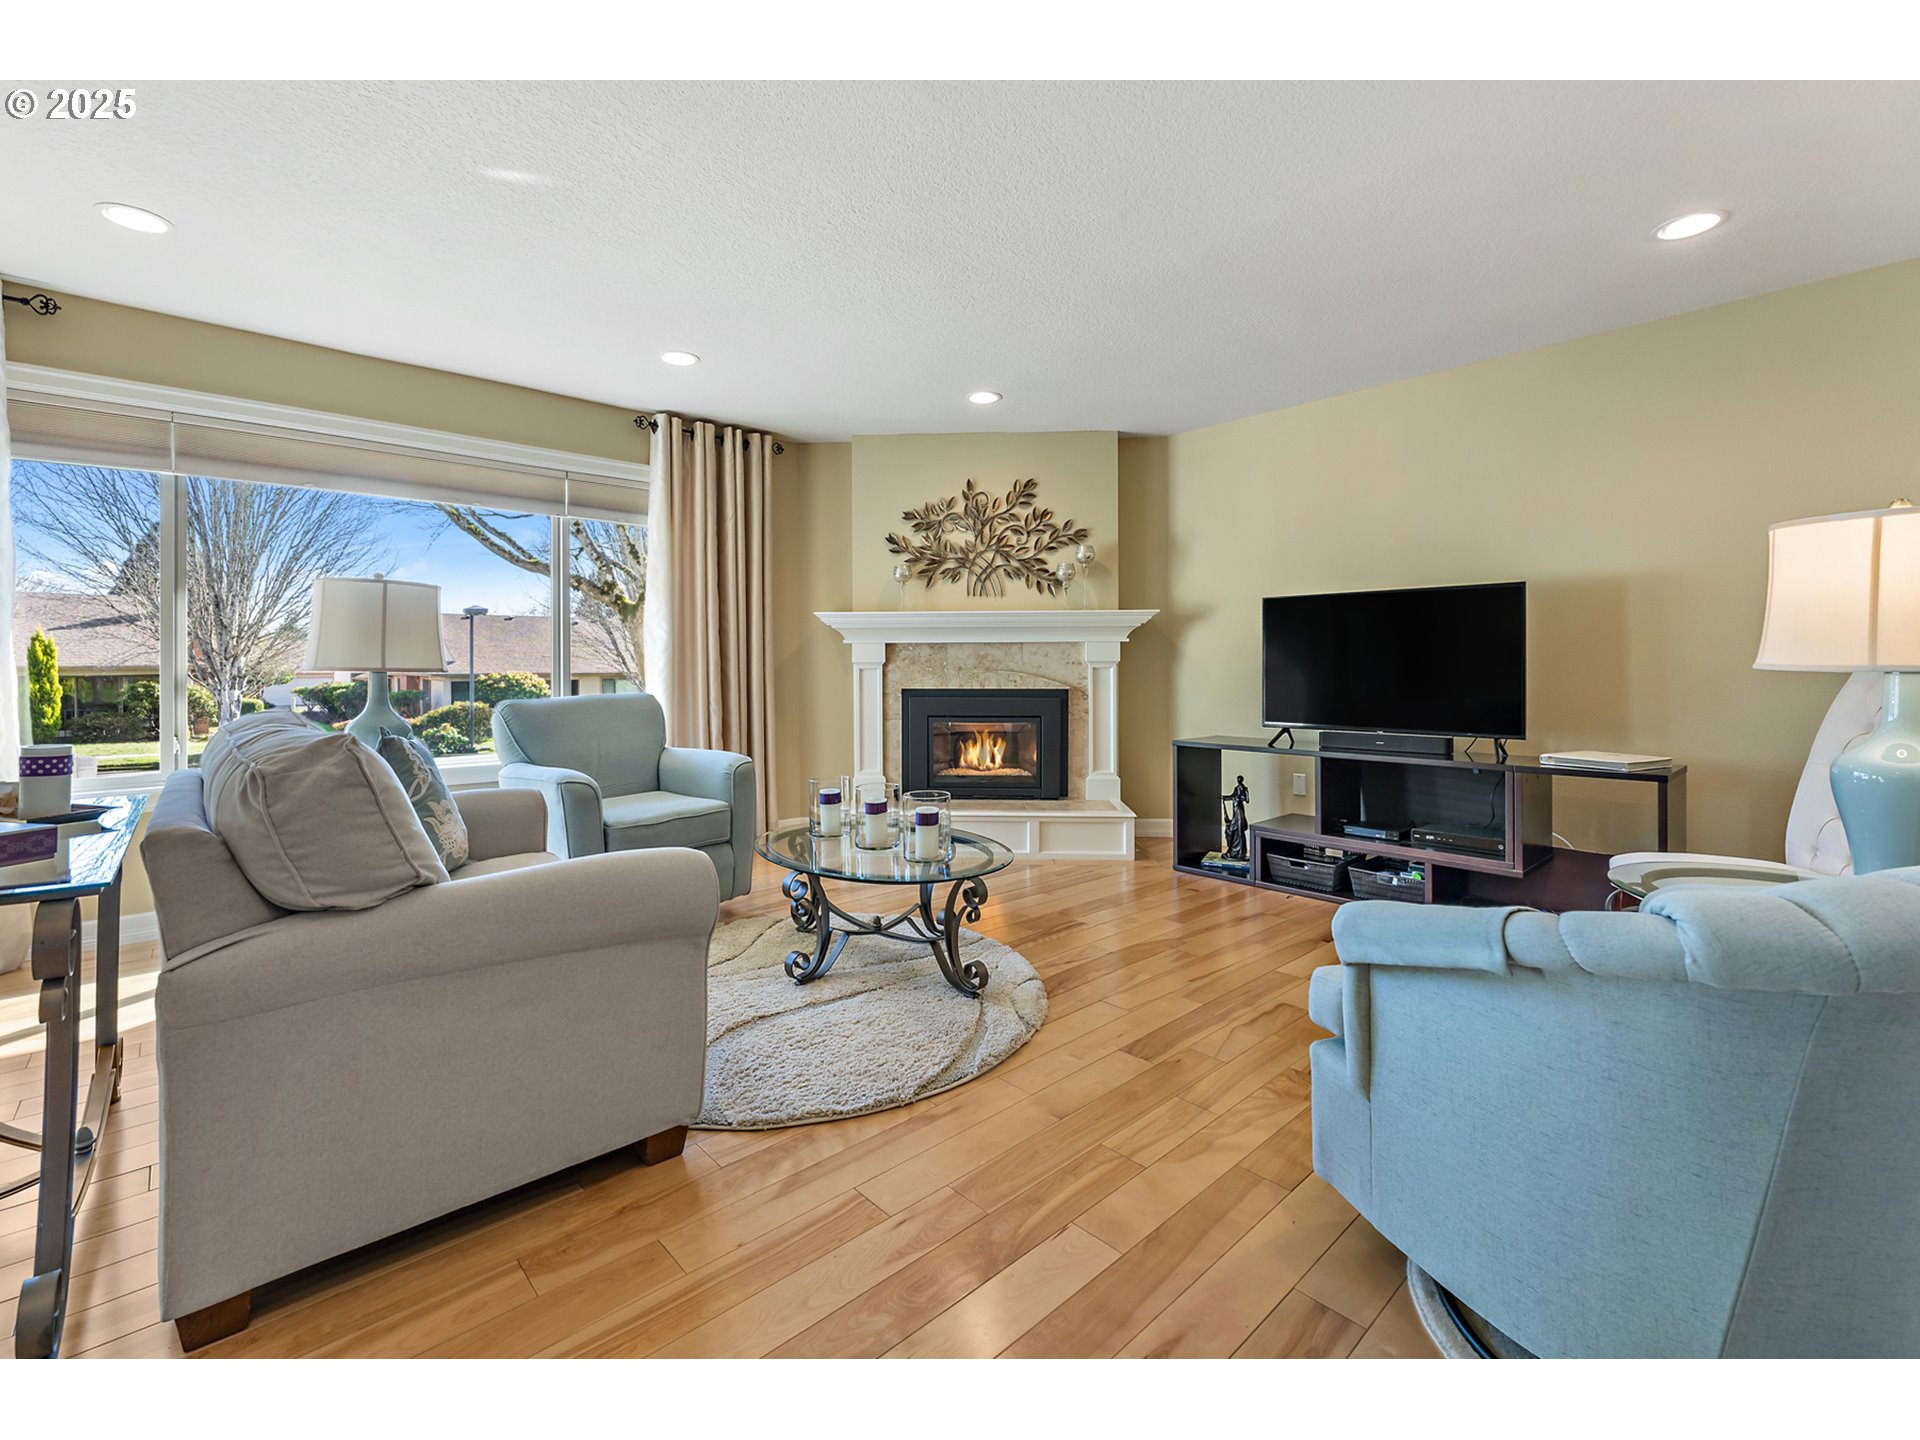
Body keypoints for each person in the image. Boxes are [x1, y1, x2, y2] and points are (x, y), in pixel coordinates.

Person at [1222, 774, 1251, 861]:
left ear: (1242, 780)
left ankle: (1239, 852)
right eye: (1237, 779)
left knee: (1237, 829)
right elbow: (1232, 796)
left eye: (1240, 779)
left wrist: (1240, 798)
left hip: (1239, 811)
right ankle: (1233, 850)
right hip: (1235, 810)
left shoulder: (1245, 789)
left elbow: (1247, 800)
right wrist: (1224, 797)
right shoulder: (1236, 788)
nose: (1238, 781)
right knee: (1233, 830)